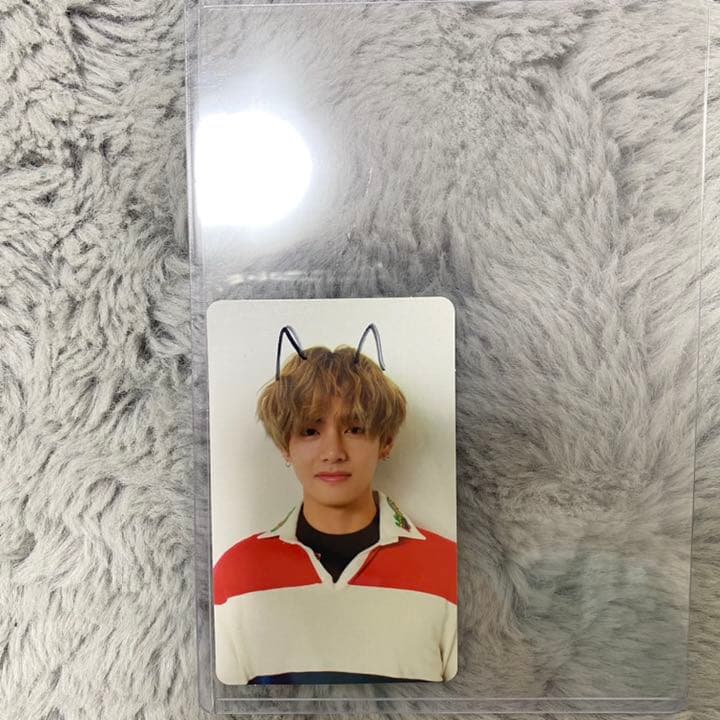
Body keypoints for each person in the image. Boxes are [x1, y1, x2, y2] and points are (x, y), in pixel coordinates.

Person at [213, 325, 457, 685]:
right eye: (310, 430)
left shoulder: (449, 568)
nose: (333, 452)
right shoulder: (236, 574)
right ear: (285, 446)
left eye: (354, 429)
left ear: (386, 442)